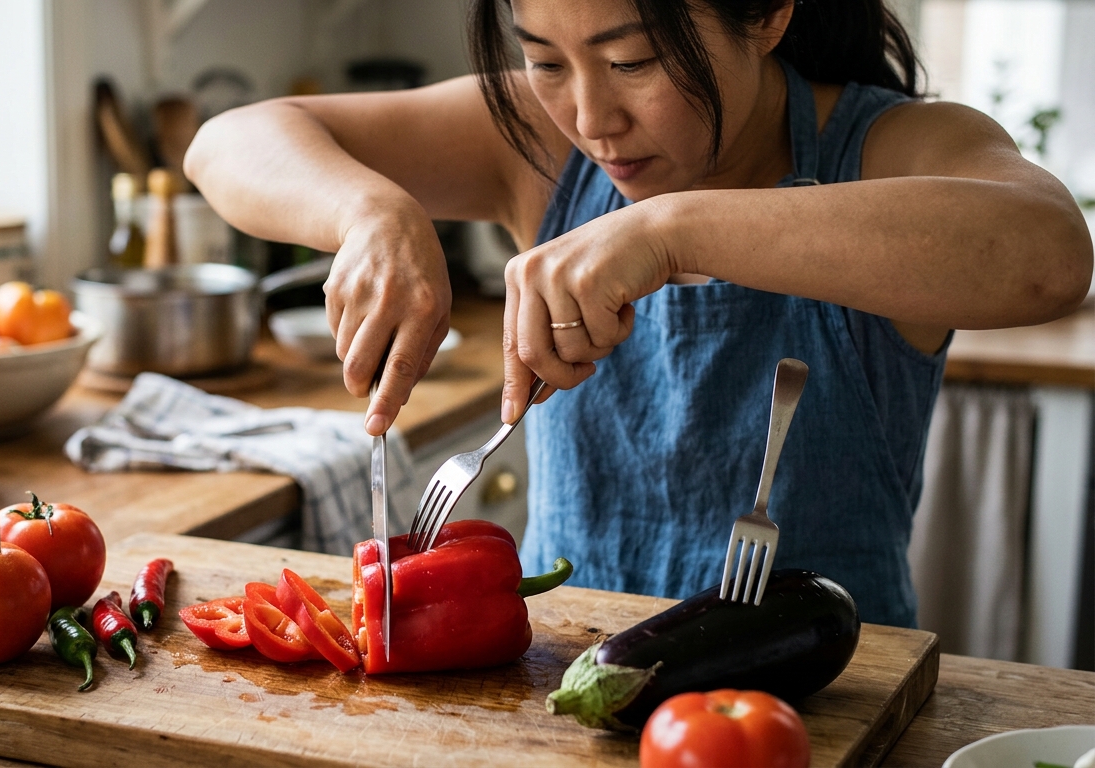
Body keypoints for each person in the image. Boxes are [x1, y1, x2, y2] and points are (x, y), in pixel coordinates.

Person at [185, 0, 1092, 626]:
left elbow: (1050, 257)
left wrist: (671, 231)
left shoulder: (889, 148)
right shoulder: (540, 147)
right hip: (565, 695)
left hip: (825, 712)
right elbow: (228, 140)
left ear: (769, 12)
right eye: (545, 60)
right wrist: (368, 211)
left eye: (633, 61)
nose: (589, 117)